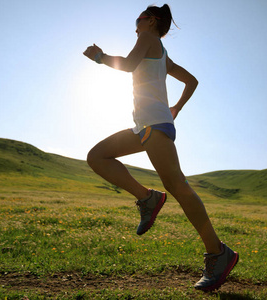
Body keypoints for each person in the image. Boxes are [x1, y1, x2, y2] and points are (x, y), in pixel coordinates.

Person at [83, 4, 238, 291]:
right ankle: (148, 199)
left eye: (138, 20)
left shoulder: (148, 38)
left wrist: (99, 57)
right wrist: (177, 107)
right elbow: (191, 81)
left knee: (179, 187)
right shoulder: (162, 54)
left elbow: (128, 64)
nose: (135, 25)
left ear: (151, 21)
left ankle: (218, 253)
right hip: (144, 126)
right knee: (97, 156)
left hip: (154, 124)